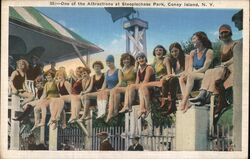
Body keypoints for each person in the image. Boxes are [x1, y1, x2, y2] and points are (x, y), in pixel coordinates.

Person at [190, 25, 240, 112]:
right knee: (209, 71)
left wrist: (225, 64)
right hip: (225, 68)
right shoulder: (222, 47)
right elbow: (222, 62)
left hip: (234, 67)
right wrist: (222, 65)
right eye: (222, 33)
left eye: (226, 32)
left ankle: (213, 98)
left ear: (230, 33)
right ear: (220, 35)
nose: (224, 35)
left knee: (217, 72)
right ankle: (203, 94)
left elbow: (237, 57)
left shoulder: (236, 44)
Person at [178, 31, 213, 113]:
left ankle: (184, 101)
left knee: (191, 76)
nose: (192, 40)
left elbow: (205, 67)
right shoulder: (192, 52)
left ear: (201, 39)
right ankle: (187, 103)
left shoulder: (209, 51)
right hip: (195, 73)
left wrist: (192, 73)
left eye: (194, 38)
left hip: (205, 74)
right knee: (181, 78)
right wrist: (189, 72)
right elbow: (190, 67)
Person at [119, 52, 155, 118]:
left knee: (136, 86)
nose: (141, 59)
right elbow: (136, 83)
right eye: (139, 58)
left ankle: (128, 106)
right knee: (130, 86)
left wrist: (135, 86)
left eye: (143, 58)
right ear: (137, 61)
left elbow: (145, 81)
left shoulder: (149, 68)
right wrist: (133, 87)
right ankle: (128, 106)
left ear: (145, 59)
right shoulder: (139, 70)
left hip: (150, 88)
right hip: (143, 88)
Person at [106, 53, 137, 122]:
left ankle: (125, 107)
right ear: (122, 61)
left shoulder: (134, 69)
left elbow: (138, 80)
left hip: (132, 88)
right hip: (125, 88)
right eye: (124, 59)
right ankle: (112, 112)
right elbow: (121, 82)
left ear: (130, 60)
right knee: (114, 90)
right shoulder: (122, 70)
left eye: (127, 59)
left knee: (116, 89)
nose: (126, 61)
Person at [161, 42, 189, 115]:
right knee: (165, 80)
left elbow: (187, 71)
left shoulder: (186, 57)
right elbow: (166, 62)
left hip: (186, 78)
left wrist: (174, 76)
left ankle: (172, 104)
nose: (174, 53)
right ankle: (165, 102)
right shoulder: (174, 60)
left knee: (172, 79)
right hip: (177, 78)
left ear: (180, 50)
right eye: (172, 51)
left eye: (176, 51)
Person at [95, 55, 122, 121]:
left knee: (106, 92)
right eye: (107, 63)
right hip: (109, 89)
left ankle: (109, 112)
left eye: (110, 62)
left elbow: (120, 82)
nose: (108, 64)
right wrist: (102, 89)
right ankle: (101, 112)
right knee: (100, 92)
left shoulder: (118, 71)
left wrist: (115, 88)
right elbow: (105, 83)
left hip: (116, 89)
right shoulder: (106, 72)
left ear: (113, 62)